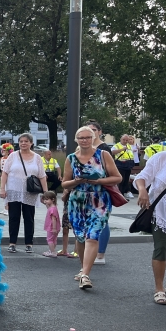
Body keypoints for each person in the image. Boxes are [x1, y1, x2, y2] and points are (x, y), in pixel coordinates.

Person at [62, 126, 121, 290]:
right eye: (81, 138)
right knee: (80, 237)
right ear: (76, 140)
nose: (85, 140)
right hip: (78, 200)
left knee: (92, 236)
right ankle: (83, 269)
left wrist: (98, 181)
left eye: (88, 137)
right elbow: (65, 183)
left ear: (94, 138)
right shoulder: (71, 158)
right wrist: (76, 181)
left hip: (99, 200)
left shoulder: (103, 155)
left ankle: (86, 275)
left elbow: (117, 177)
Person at [0, 133, 47, 253]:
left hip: (30, 192)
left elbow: (42, 176)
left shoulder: (37, 158)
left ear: (31, 143)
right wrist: (2, 189)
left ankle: (29, 243)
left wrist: (45, 193)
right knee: (14, 217)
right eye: (21, 141)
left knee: (29, 218)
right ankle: (12, 242)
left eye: (26, 141)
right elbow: (4, 173)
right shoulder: (13, 156)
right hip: (13, 190)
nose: (23, 143)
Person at [134, 151, 166, 304]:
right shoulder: (161, 158)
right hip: (162, 213)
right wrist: (142, 190)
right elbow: (142, 177)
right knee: (161, 248)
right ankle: (159, 289)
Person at [87, 121, 113, 265]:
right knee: (88, 221)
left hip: (101, 190)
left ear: (99, 132)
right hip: (85, 191)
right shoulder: (83, 148)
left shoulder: (104, 149)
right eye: (88, 130)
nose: (91, 132)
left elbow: (111, 172)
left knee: (102, 221)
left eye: (93, 130)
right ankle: (89, 251)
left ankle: (101, 254)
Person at [112, 134, 136, 199]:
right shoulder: (117, 145)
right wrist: (122, 149)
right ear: (120, 139)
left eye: (127, 140)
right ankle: (120, 195)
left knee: (126, 180)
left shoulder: (129, 146)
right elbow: (112, 152)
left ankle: (124, 194)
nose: (125, 141)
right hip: (121, 164)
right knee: (121, 180)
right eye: (124, 139)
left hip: (128, 164)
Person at [56, 188, 77, 258]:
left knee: (77, 232)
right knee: (65, 230)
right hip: (67, 210)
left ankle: (76, 251)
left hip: (77, 212)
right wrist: (66, 192)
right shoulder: (68, 187)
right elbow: (63, 199)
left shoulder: (80, 188)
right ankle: (64, 250)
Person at [41, 190, 60, 257]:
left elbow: (54, 219)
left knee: (49, 239)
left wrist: (54, 228)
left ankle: (52, 252)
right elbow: (47, 206)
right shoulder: (53, 207)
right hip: (56, 227)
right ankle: (52, 250)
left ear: (53, 199)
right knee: (54, 239)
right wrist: (45, 202)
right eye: (44, 199)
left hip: (51, 227)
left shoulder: (52, 209)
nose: (45, 201)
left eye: (47, 199)